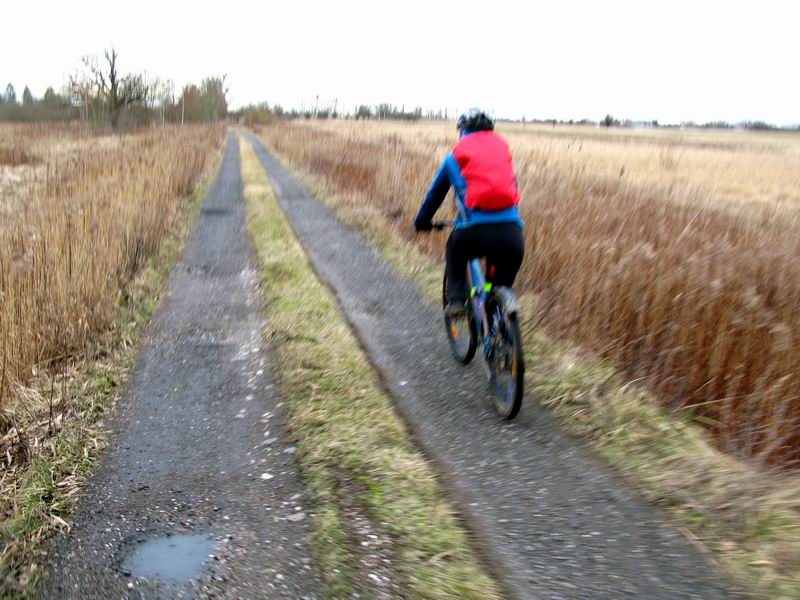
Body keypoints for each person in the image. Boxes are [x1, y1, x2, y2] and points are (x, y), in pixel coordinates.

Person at [414, 108, 525, 317]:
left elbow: (434, 196)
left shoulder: (452, 159)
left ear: (463, 132)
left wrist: (422, 222)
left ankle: (456, 302)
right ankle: (501, 306)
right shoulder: (504, 157)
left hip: (471, 235)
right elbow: (514, 192)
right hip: (512, 237)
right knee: (498, 285)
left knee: (455, 250)